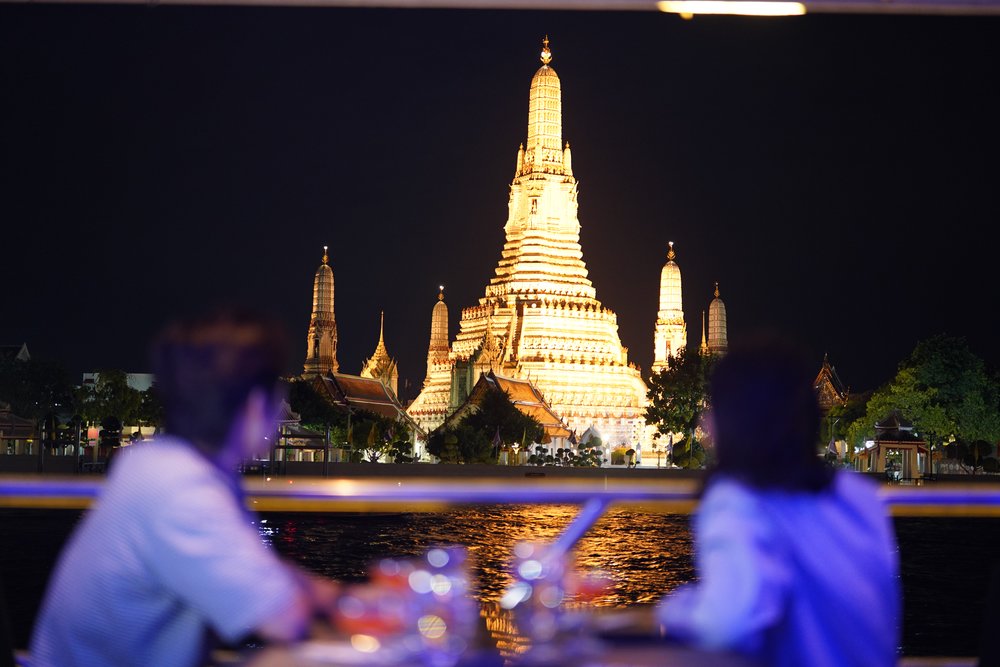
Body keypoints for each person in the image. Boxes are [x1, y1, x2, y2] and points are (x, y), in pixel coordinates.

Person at [30, 308, 339, 667]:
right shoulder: (183, 493)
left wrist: (338, 596)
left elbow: (260, 570)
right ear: (256, 409)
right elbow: (285, 619)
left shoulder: (155, 464)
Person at [655, 332, 900, 667]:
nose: (705, 421)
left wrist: (670, 607)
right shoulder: (861, 496)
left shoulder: (738, 500)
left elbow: (723, 623)